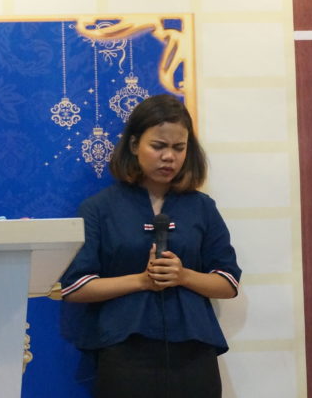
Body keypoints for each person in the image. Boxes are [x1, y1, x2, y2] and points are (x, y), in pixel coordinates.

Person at [59, 94, 240, 398]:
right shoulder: (99, 209)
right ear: (134, 145)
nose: (169, 157)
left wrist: (183, 276)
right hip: (123, 353)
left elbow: (229, 283)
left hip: (194, 354)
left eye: (179, 148)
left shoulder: (202, 207)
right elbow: (74, 287)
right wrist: (142, 281)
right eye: (158, 146)